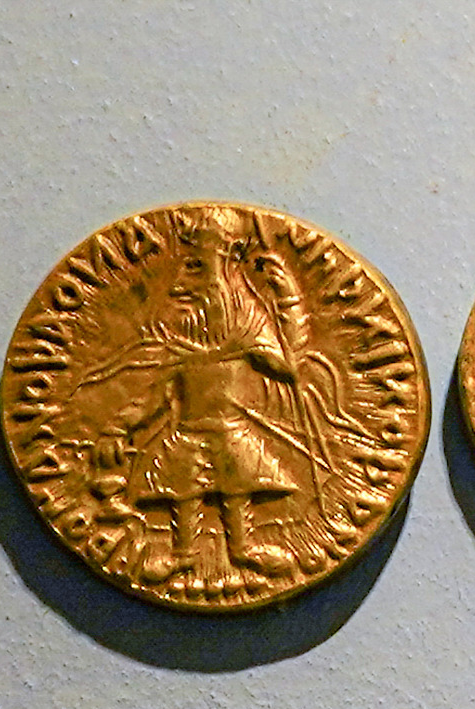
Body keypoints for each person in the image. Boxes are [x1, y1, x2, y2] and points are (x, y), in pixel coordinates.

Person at [76, 206, 314, 589]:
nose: (182, 285)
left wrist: (288, 299)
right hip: (186, 433)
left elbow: (288, 366)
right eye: (191, 267)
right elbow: (156, 396)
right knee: (182, 490)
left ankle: (243, 550)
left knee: (235, 487)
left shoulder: (250, 323)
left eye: (198, 267)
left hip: (230, 431)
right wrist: (118, 428)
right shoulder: (180, 338)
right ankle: (183, 555)